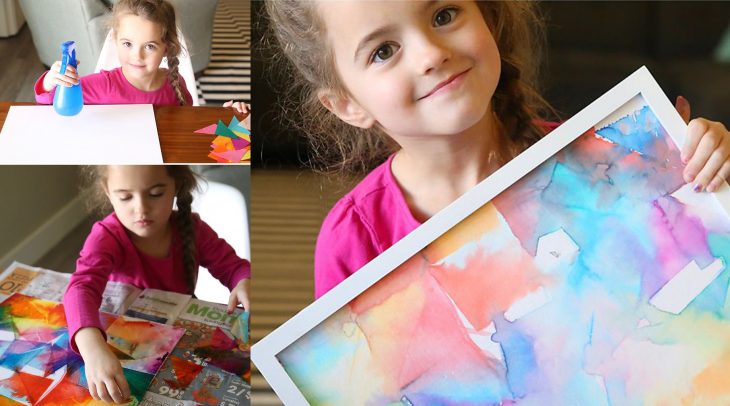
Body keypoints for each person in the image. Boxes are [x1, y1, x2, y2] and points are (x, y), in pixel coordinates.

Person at [265, 1, 730, 299]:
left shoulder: (602, 158)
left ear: (485, 16)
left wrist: (713, 172)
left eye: (444, 15)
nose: (430, 54)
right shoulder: (354, 239)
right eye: (384, 51)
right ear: (346, 104)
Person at [64, 165, 251, 404]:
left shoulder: (193, 229)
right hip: (129, 341)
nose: (140, 208)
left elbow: (234, 267)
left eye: (155, 193)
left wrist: (243, 281)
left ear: (177, 186)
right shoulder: (106, 236)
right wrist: (91, 348)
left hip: (180, 340)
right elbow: (81, 287)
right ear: (108, 192)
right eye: (125, 197)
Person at [34, 0, 247, 113]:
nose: (137, 55)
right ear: (115, 40)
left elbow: (188, 124)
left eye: (150, 46)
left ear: (167, 48)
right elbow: (48, 103)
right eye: (127, 44)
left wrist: (226, 118)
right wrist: (51, 82)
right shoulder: (102, 84)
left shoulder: (175, 83)